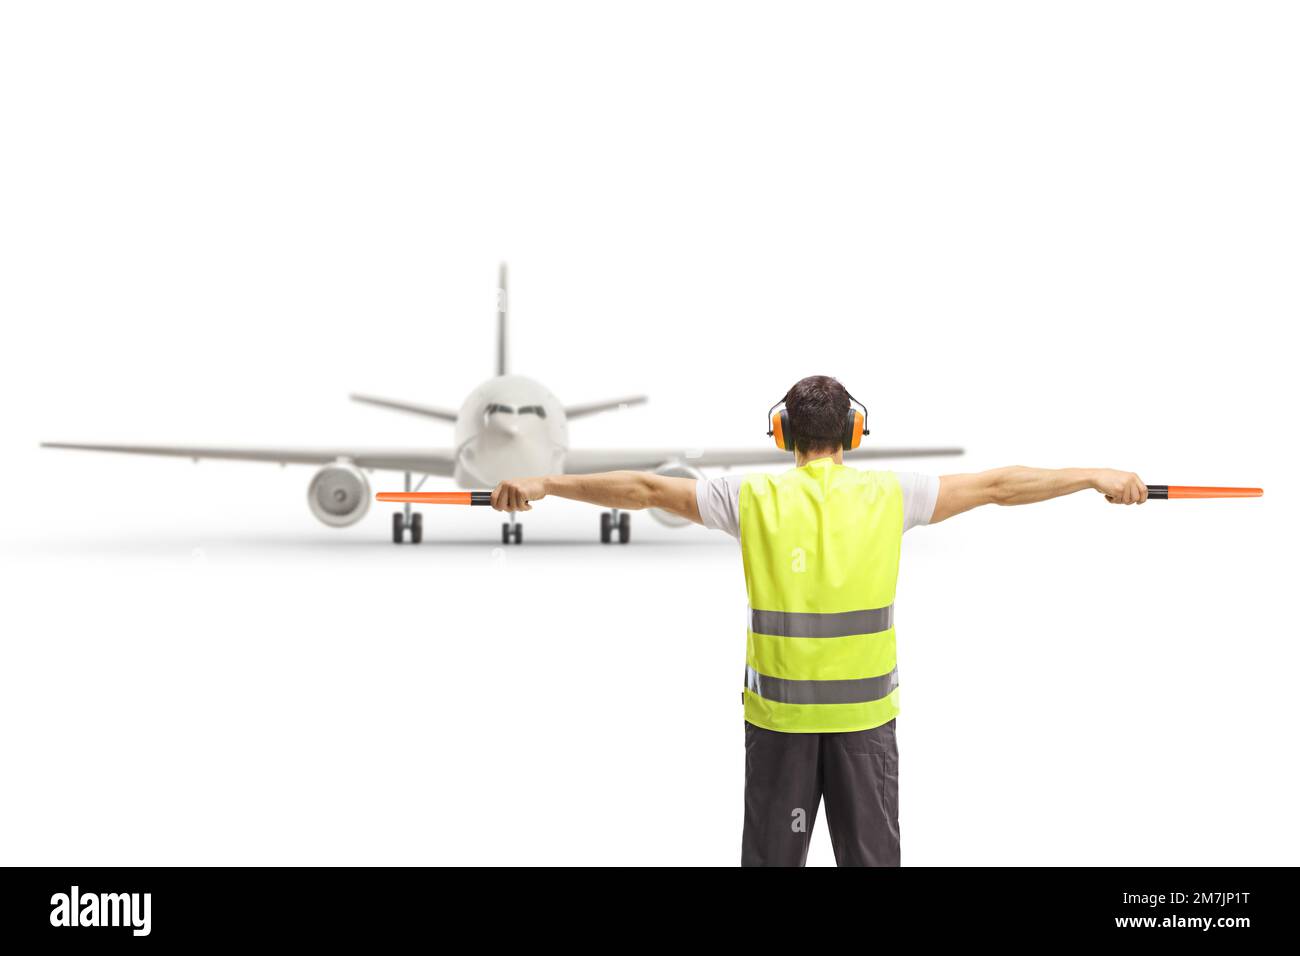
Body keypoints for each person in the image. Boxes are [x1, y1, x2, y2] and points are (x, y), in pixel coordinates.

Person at [489, 375, 1148, 866]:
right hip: (865, 725)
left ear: (784, 435)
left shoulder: (750, 497)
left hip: (781, 726)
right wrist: (1095, 475)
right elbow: (1002, 485)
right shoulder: (894, 495)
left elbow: (643, 490)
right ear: (854, 434)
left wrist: (548, 483)